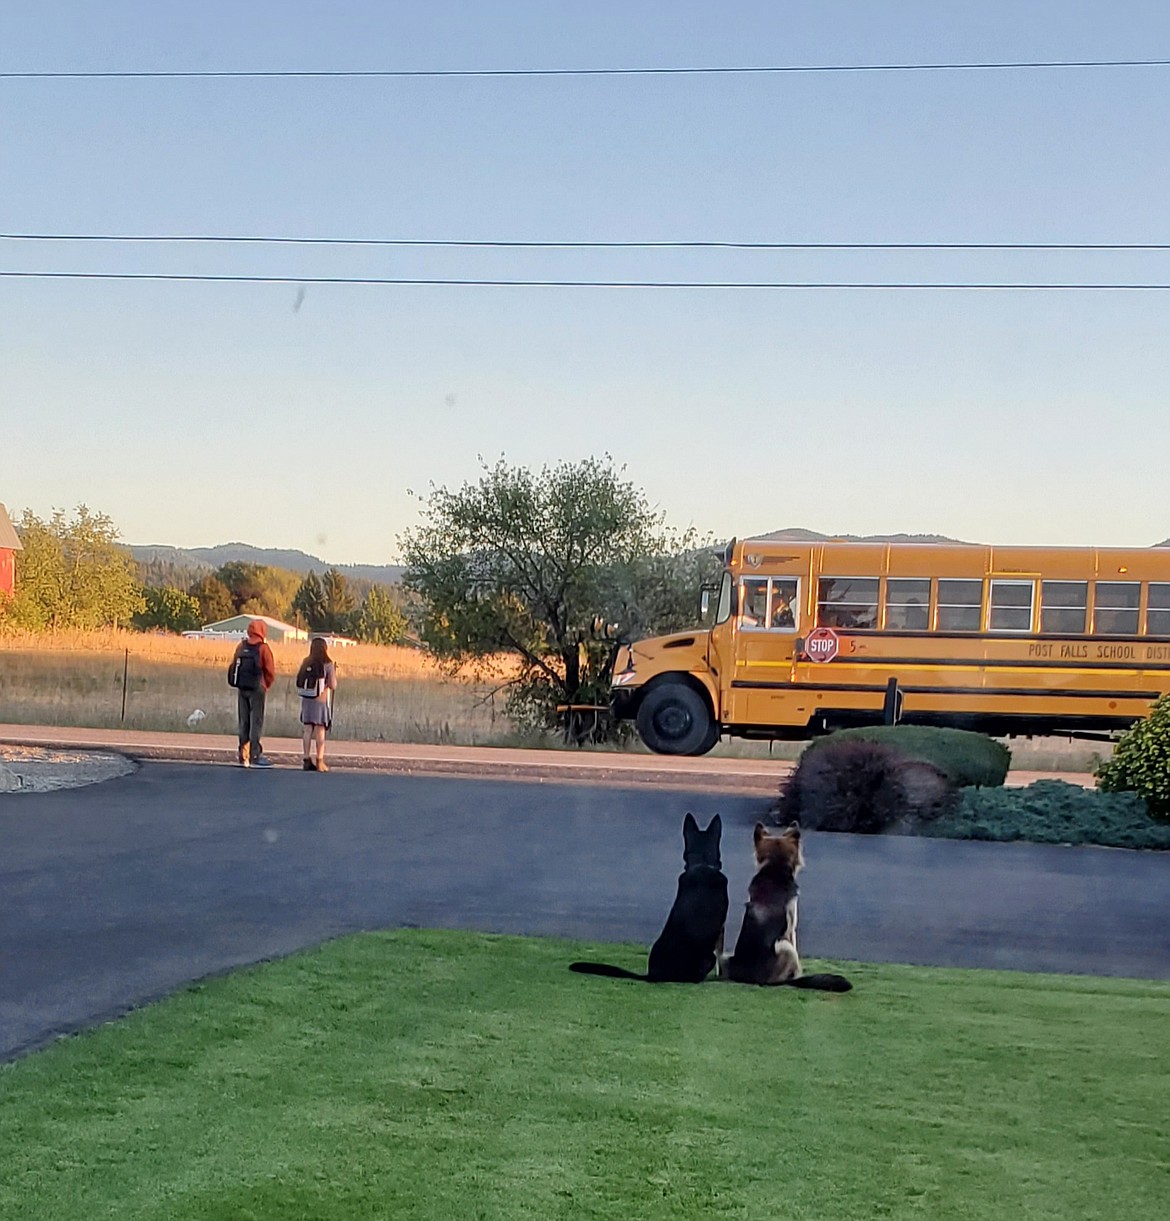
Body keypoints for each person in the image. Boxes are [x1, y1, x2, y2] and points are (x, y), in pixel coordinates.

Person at [230, 619, 276, 768]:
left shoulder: (241, 646)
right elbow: (270, 671)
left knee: (244, 721)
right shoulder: (263, 648)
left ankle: (243, 754)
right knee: (256, 722)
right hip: (257, 688)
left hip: (242, 687)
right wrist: (266, 685)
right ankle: (255, 754)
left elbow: (234, 665)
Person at [296, 636, 338, 772]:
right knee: (320, 730)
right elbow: (333, 685)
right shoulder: (328, 664)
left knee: (307, 729)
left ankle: (306, 759)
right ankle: (320, 761)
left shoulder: (306, 662)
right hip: (320, 701)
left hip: (307, 699)